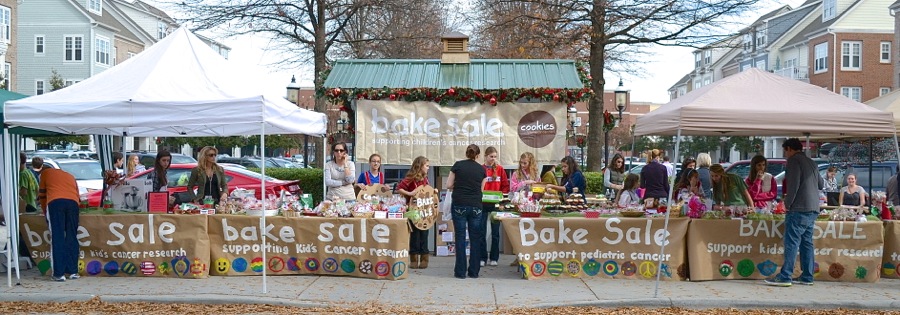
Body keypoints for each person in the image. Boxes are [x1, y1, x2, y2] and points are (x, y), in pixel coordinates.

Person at [766, 138, 823, 287]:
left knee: (792, 242)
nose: (785, 154)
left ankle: (785, 275)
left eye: (785, 151)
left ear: (790, 149)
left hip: (799, 207)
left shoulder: (793, 161)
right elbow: (821, 184)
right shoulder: (811, 162)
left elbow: (793, 185)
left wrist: (787, 204)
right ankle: (807, 275)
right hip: (813, 207)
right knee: (807, 242)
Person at [446, 145, 487, 279]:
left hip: (459, 203)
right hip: (475, 205)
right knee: (475, 237)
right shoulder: (482, 170)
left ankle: (460, 272)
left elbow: (448, 185)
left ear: (466, 153)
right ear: (478, 155)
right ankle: (474, 271)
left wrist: (459, 185)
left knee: (460, 237)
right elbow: (481, 190)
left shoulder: (458, 165)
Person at [39, 165, 81, 281]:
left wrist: (44, 211)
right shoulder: (69, 176)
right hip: (73, 203)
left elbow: (42, 195)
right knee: (72, 236)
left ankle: (59, 273)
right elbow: (78, 195)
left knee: (58, 237)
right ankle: (73, 271)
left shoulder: (45, 174)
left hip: (55, 203)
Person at [396, 156, 431, 269]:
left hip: (424, 210)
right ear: (420, 166)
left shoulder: (425, 179)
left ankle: (424, 257)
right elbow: (399, 188)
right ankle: (414, 258)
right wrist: (410, 194)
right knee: (415, 234)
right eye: (426, 166)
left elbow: (427, 191)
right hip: (413, 210)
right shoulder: (410, 178)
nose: (428, 168)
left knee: (424, 233)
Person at [479, 147, 509, 267]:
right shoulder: (481, 169)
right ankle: (482, 257)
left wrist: (502, 198)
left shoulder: (500, 169)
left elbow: (505, 185)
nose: (493, 159)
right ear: (486, 156)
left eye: (495, 156)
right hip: (483, 202)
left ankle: (494, 257)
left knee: (495, 232)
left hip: (496, 203)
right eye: (491, 156)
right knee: (481, 231)